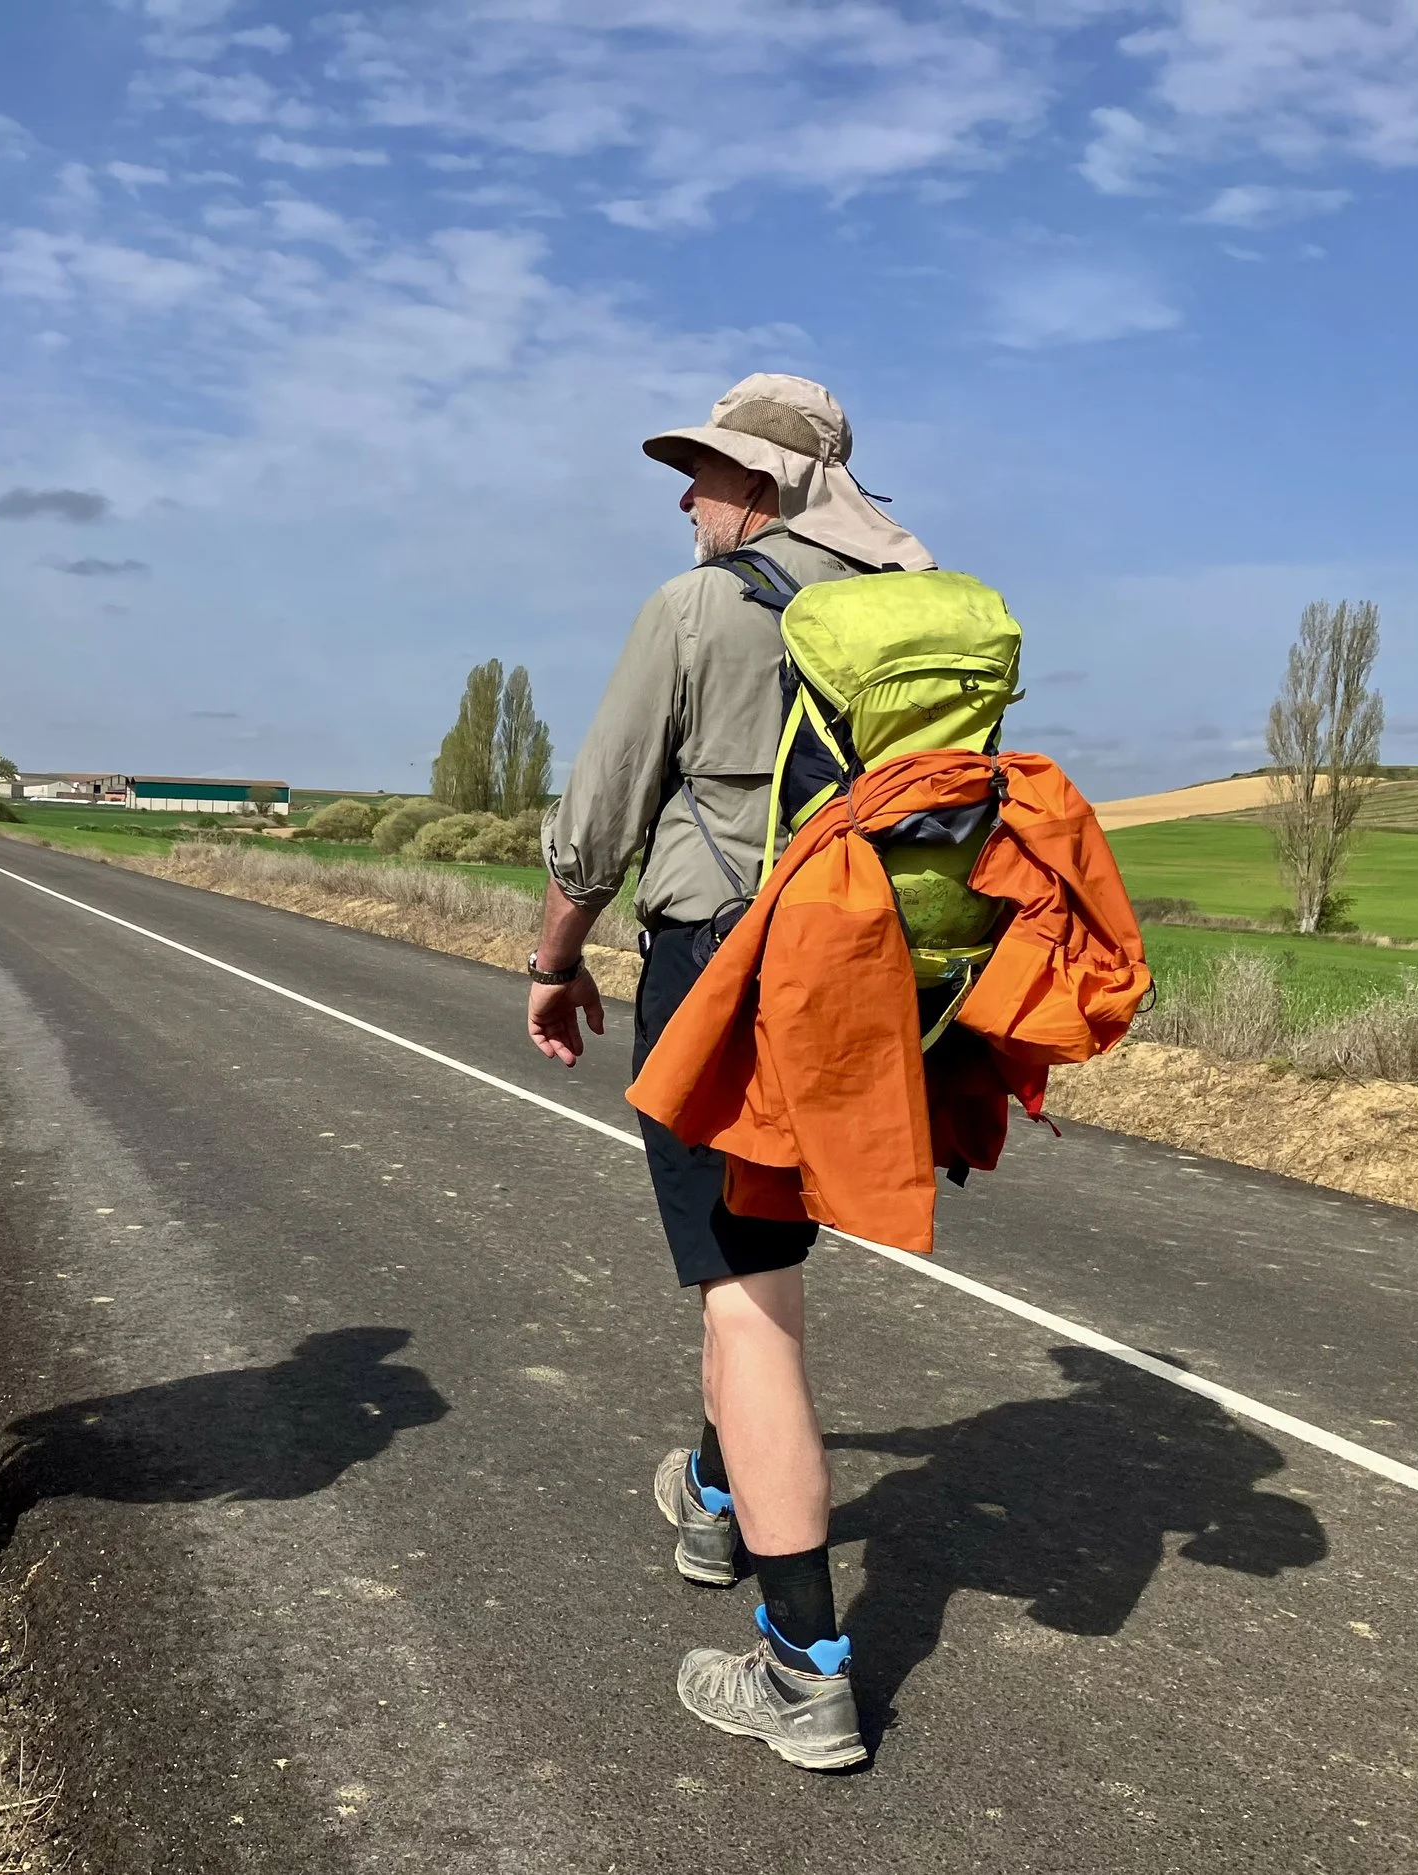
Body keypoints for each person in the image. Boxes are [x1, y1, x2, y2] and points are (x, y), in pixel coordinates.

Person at [528, 375, 934, 1771]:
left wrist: (553, 958)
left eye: (705, 472)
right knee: (750, 1259)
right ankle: (711, 1498)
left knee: (753, 1304)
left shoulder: (699, 607)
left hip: (724, 967)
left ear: (763, 487)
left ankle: (805, 1668)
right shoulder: (913, 618)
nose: (687, 496)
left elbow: (597, 816)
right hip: (861, 981)